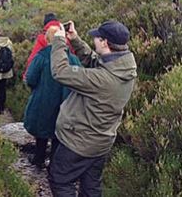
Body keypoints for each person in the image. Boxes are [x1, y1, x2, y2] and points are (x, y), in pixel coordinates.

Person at [48, 20, 137, 197]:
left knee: (60, 180)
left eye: (97, 37)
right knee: (91, 187)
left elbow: (61, 71)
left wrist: (59, 41)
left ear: (104, 42)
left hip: (79, 142)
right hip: (101, 141)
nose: (94, 39)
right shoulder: (124, 67)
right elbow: (95, 61)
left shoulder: (103, 80)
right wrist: (75, 40)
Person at [23, 26, 81, 169]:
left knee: (42, 131)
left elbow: (30, 78)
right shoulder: (73, 59)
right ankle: (54, 164)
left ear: (47, 39)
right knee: (58, 134)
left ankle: (39, 158)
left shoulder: (41, 57)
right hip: (66, 103)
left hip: (43, 102)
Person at [23, 13, 74, 81]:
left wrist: (26, 77)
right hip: (66, 85)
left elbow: (32, 62)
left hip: (45, 83)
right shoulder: (66, 37)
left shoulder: (41, 39)